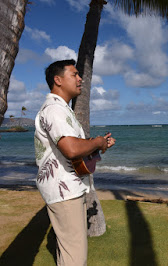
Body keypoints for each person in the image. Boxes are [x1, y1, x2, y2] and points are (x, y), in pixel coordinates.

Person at [34, 59, 116, 266]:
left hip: (69, 187)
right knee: (75, 257)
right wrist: (97, 141)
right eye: (75, 74)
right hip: (64, 191)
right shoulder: (54, 109)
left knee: (70, 252)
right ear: (58, 80)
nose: (81, 79)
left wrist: (99, 145)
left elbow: (75, 151)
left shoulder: (63, 109)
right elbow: (70, 149)